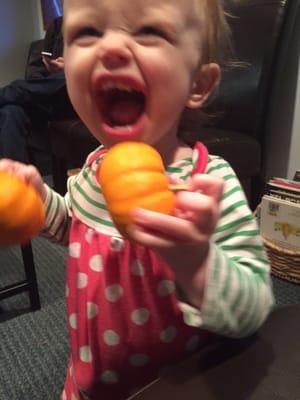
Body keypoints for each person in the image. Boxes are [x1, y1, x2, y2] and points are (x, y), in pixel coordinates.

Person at [0, 0, 274, 399]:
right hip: (87, 383)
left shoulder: (209, 185)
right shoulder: (94, 167)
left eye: (150, 31)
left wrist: (195, 261)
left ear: (197, 84)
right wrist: (37, 198)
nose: (111, 48)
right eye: (87, 32)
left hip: (175, 389)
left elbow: (253, 307)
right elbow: (70, 226)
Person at [0, 16, 68, 165]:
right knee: (10, 111)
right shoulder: (57, 24)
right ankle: (12, 182)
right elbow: (38, 64)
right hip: (48, 93)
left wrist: (69, 67)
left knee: (69, 76)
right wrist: (47, 72)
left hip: (74, 94)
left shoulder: (98, 24)